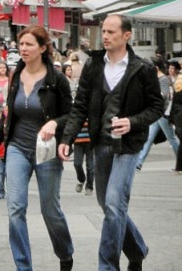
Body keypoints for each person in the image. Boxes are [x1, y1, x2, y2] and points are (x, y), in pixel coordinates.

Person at [59, 14, 163, 271]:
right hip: (100, 144)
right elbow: (80, 105)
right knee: (110, 207)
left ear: (126, 35)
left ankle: (107, 266)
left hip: (128, 147)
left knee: (115, 204)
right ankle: (137, 250)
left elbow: (157, 107)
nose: (105, 35)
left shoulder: (143, 68)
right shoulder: (94, 66)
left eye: (111, 32)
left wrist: (133, 122)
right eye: (103, 31)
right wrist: (67, 138)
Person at [0, 24, 74, 271]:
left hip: (46, 150)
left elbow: (72, 115)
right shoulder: (16, 75)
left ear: (43, 48)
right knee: (15, 209)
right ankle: (23, 267)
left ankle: (65, 254)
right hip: (17, 148)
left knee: (50, 210)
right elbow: (9, 114)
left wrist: (54, 123)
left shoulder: (57, 81)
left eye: (28, 44)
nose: (23, 48)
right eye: (21, 44)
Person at [135, 56, 179, 170]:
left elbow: (164, 95)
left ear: (156, 68)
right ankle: (139, 163)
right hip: (157, 114)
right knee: (149, 139)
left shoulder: (163, 79)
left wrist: (151, 94)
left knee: (171, 139)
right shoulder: (156, 79)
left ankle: (180, 162)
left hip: (162, 113)